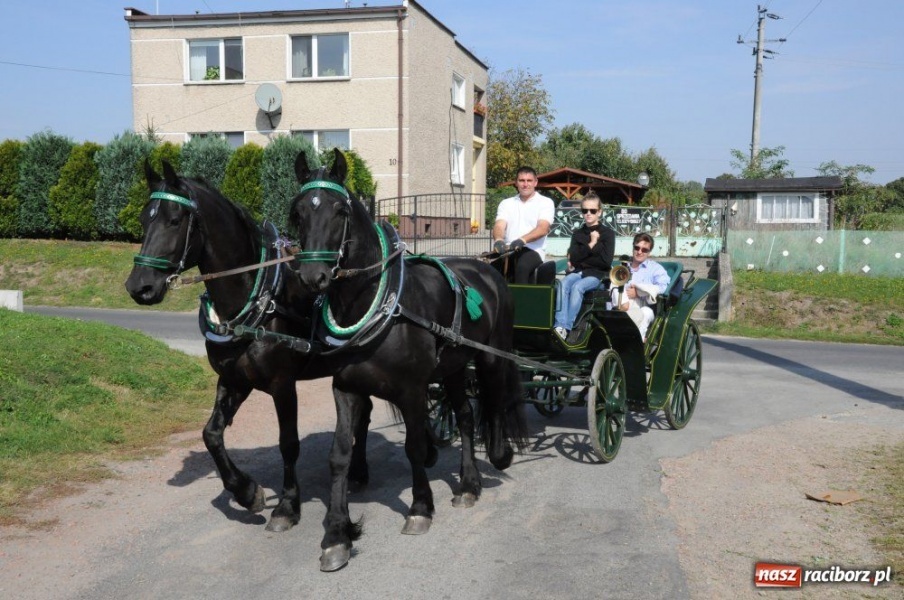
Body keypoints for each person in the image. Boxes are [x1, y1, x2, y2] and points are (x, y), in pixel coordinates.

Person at [553, 192, 615, 341]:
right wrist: (592, 245)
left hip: (598, 275)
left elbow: (605, 261)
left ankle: (567, 327)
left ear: (599, 212)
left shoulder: (607, 234)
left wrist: (583, 257)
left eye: (592, 211)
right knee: (562, 284)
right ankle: (559, 326)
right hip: (580, 272)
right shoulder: (578, 233)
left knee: (577, 287)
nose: (588, 214)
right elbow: (573, 258)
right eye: (585, 210)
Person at [492, 166, 555, 284]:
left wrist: (522, 240)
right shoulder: (506, 203)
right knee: (488, 269)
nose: (525, 184)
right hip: (508, 249)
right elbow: (499, 225)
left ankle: (521, 302)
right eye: (521, 180)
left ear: (535, 182)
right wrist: (499, 239)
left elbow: (543, 228)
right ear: (516, 183)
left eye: (529, 180)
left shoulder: (545, 202)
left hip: (533, 250)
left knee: (522, 267)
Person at [610, 232, 671, 341]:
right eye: (637, 248)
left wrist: (639, 292)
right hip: (621, 305)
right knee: (614, 280)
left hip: (643, 306)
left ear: (649, 252)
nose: (639, 252)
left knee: (646, 312)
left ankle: (638, 340)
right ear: (633, 247)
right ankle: (622, 309)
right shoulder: (623, 266)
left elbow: (663, 287)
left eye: (644, 250)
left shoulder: (655, 268)